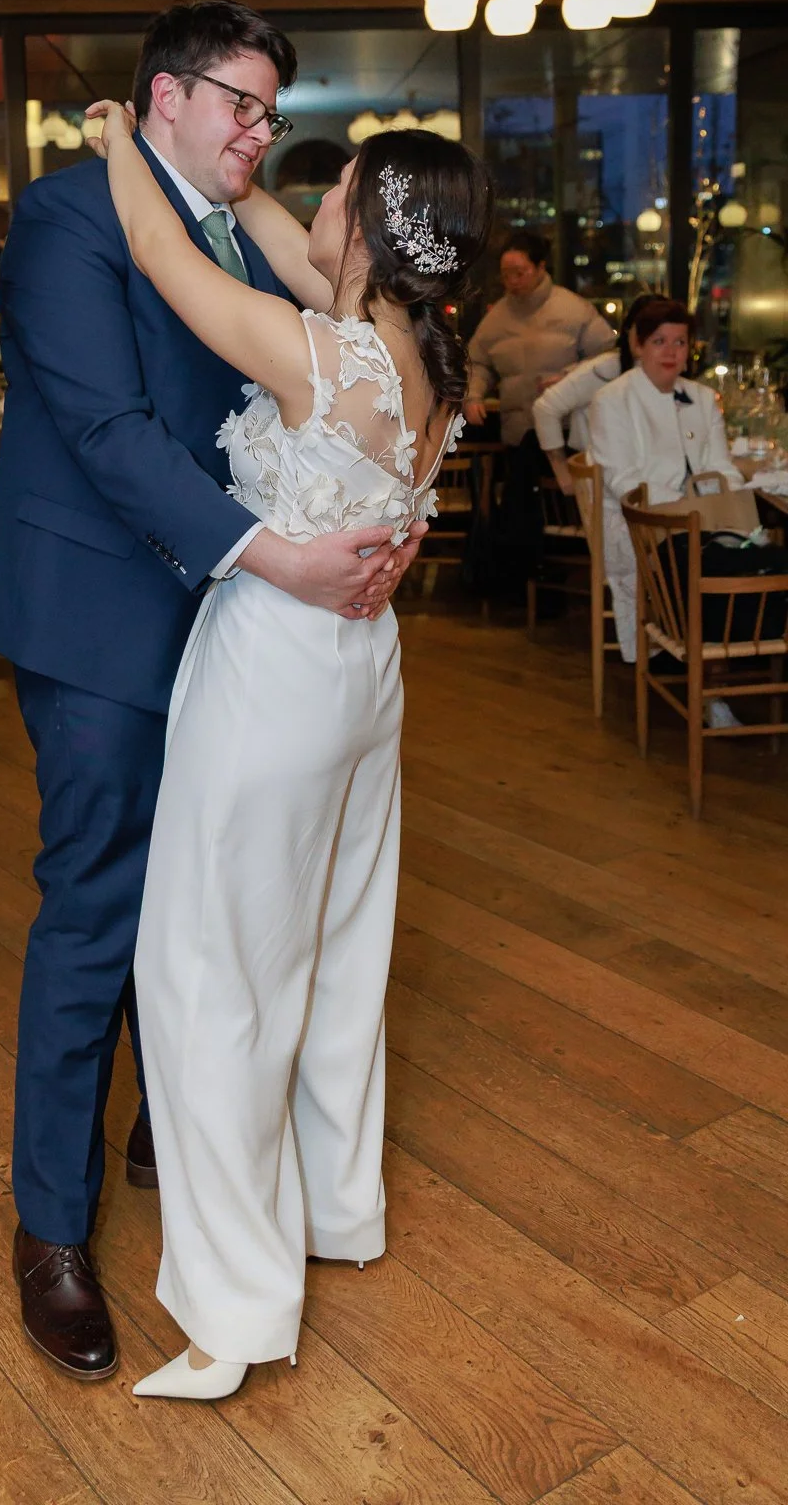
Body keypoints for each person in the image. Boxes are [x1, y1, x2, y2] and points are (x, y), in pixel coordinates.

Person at [0, 0, 423, 1384]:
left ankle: (175, 1116)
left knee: (216, 889)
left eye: (272, 115)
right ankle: (52, 1227)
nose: (259, 133)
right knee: (97, 901)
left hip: (232, 626)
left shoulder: (237, 231)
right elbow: (109, 430)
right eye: (243, 105)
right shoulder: (67, 216)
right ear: (165, 95)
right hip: (106, 618)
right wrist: (285, 555)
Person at [87, 103, 490, 1400]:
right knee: (333, 942)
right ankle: (334, 1207)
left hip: (273, 673)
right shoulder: (424, 364)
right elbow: (281, 235)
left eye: (338, 191)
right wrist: (242, 178)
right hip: (361, 680)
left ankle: (235, 1310)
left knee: (208, 968)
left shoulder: (323, 355)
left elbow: (168, 259)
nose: (310, 200)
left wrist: (117, 142)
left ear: (365, 228)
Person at [588, 297, 741, 669]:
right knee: (712, 565)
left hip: (704, 520)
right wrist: (688, 508)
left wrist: (723, 502)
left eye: (680, 342)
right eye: (659, 341)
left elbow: (724, 467)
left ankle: (725, 661)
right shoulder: (612, 400)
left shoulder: (703, 399)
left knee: (747, 556)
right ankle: (705, 670)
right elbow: (623, 482)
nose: (671, 352)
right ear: (638, 345)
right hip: (643, 523)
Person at [465, 231, 615, 593]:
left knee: (546, 504)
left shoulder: (573, 309)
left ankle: (560, 578)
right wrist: (473, 395)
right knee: (520, 503)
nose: (511, 281)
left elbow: (608, 358)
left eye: (519, 272)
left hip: (570, 434)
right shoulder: (496, 318)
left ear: (540, 268)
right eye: (505, 273)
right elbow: (477, 363)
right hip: (517, 434)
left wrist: (568, 377)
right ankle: (523, 580)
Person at [533, 292, 656, 492]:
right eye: (645, 331)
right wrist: (564, 475)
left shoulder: (664, 377)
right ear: (628, 331)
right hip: (600, 481)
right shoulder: (606, 368)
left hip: (643, 478)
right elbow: (545, 408)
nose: (651, 341)